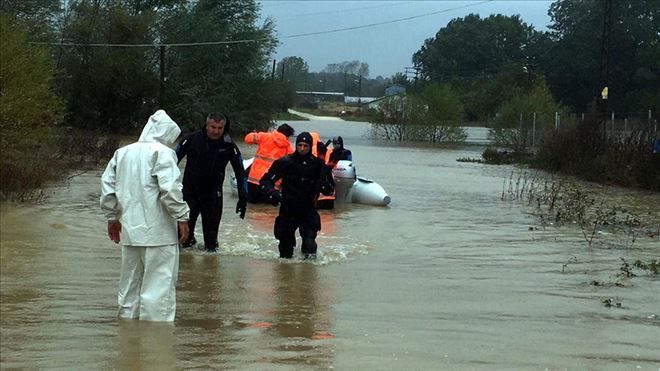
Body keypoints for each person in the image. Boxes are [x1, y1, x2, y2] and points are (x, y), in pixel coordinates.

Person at [100, 109, 190, 322]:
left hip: (130, 232)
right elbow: (170, 189)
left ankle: (128, 334)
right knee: (159, 290)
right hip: (159, 234)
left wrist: (112, 218)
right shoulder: (164, 153)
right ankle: (155, 344)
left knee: (129, 288)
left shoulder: (122, 153)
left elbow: (107, 188)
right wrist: (182, 217)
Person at [175, 112, 247, 252]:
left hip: (213, 195)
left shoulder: (229, 145)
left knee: (211, 244)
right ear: (206, 126)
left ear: (224, 127)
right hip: (190, 194)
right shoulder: (191, 139)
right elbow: (170, 164)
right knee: (183, 239)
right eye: (213, 127)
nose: (216, 131)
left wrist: (243, 196)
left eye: (220, 128)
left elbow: (240, 172)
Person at [259, 132, 335, 259]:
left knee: (310, 245)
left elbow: (329, 188)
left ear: (310, 146)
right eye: (299, 145)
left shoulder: (318, 165)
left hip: (308, 208)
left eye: (305, 146)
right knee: (285, 249)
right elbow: (265, 181)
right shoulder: (285, 162)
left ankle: (308, 274)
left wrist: (325, 187)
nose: (302, 148)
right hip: (288, 208)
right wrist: (272, 193)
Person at [243, 123, 294, 203]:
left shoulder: (264, 136)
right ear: (288, 136)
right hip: (271, 183)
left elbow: (247, 139)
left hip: (254, 179)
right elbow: (290, 167)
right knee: (268, 208)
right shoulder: (288, 147)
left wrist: (255, 134)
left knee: (252, 206)